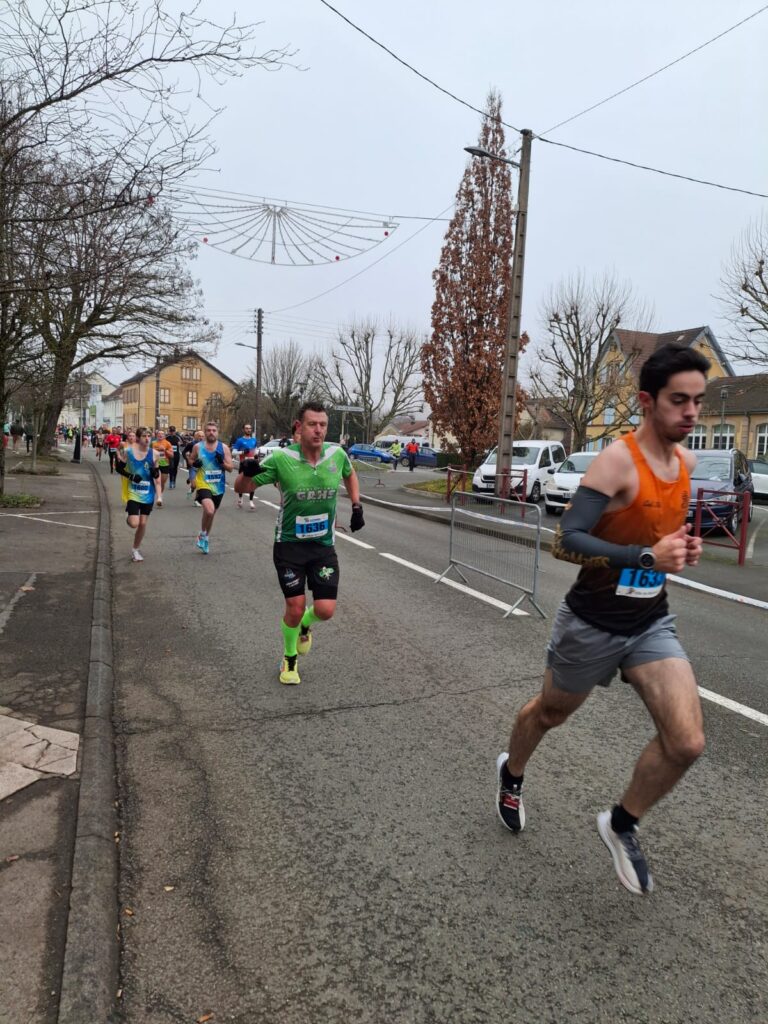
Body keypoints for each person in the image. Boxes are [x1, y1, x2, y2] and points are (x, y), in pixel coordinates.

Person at [496, 344, 710, 897]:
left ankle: (621, 823)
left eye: (698, 401)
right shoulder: (617, 462)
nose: (691, 412)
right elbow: (565, 541)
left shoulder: (686, 465)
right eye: (679, 400)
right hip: (590, 623)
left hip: (649, 622)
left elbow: (658, 535)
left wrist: (681, 548)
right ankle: (512, 773)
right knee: (550, 714)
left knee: (686, 741)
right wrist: (647, 556)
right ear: (647, 401)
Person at [241, 402, 364, 686]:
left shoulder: (336, 454)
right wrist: (246, 472)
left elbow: (349, 473)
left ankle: (306, 625)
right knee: (295, 607)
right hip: (289, 546)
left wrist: (357, 505)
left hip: (322, 546)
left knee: (325, 610)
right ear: (299, 427)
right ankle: (289, 658)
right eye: (312, 424)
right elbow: (243, 488)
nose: (318, 430)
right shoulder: (281, 459)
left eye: (323, 424)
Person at [114, 426, 161, 562]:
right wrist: (131, 476)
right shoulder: (128, 452)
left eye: (149, 436)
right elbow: (119, 469)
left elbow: (157, 474)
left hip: (148, 492)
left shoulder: (155, 454)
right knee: (134, 523)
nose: (147, 439)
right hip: (133, 491)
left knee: (143, 524)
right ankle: (129, 517)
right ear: (138, 438)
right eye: (144, 436)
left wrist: (155, 473)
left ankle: (135, 549)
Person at [190, 421, 234, 553]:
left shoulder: (224, 448)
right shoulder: (198, 447)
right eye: (208, 430)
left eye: (214, 430)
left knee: (211, 513)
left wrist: (222, 462)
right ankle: (203, 534)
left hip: (218, 485)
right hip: (203, 483)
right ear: (205, 432)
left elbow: (231, 468)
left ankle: (205, 537)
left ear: (217, 432)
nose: (211, 433)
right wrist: (194, 464)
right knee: (209, 510)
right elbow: (191, 460)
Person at [231, 423, 259, 510]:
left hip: (252, 464)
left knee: (252, 482)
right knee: (242, 482)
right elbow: (233, 452)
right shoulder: (240, 440)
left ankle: (251, 501)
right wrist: (242, 452)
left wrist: (256, 455)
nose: (248, 430)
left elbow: (255, 450)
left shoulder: (254, 440)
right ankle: (240, 498)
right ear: (243, 430)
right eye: (246, 428)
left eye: (250, 428)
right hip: (244, 464)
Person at [151, 429, 174, 506]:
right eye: (159, 434)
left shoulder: (167, 443)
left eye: (162, 434)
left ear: (164, 436)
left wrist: (165, 450)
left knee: (162, 482)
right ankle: (158, 497)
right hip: (154, 463)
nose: (160, 435)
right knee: (156, 481)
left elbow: (172, 455)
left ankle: (160, 494)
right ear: (156, 435)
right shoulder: (153, 443)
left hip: (164, 463)